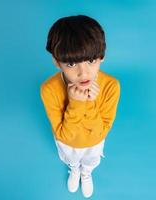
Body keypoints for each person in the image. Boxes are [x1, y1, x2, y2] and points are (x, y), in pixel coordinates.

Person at [40, 15, 120, 198]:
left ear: (102, 57)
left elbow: (102, 132)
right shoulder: (49, 89)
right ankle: (75, 168)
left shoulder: (111, 86)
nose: (83, 73)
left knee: (91, 160)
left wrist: (89, 103)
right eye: (70, 64)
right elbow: (63, 135)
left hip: (94, 141)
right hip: (68, 143)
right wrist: (75, 103)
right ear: (56, 62)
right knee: (71, 158)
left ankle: (86, 172)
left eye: (91, 61)